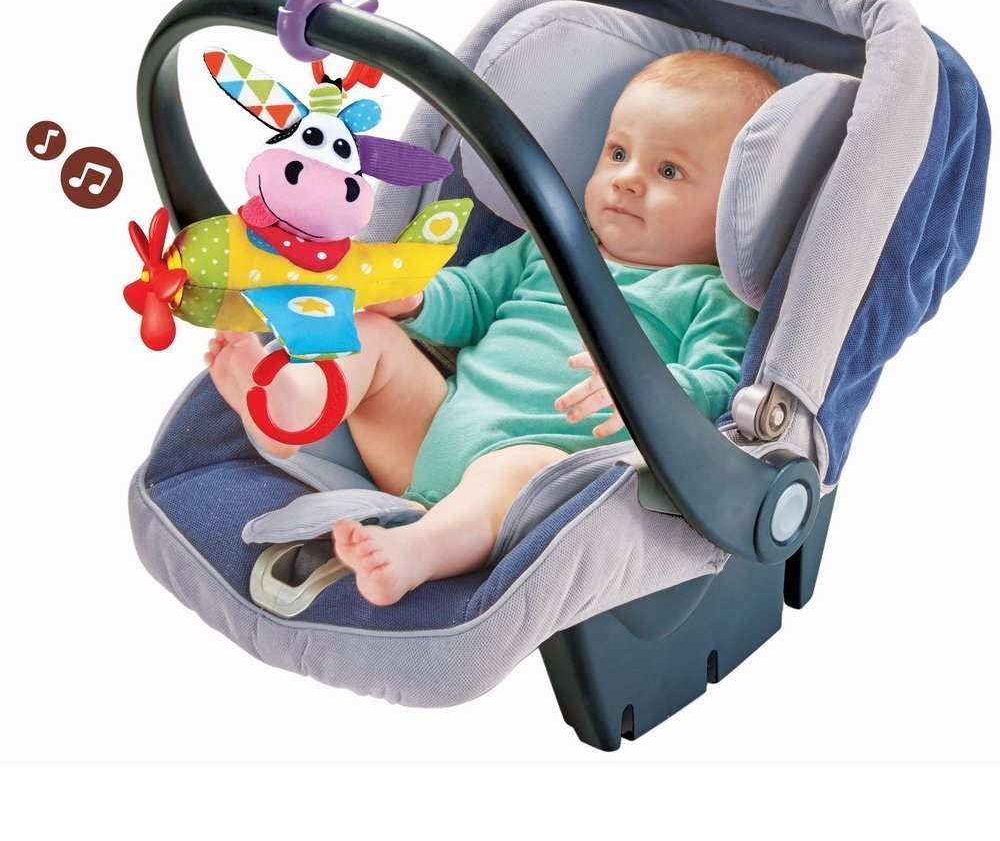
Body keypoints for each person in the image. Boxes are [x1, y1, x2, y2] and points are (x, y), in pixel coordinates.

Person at [205, 49, 778, 606]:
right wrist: (415, 300)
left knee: (514, 469)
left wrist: (645, 389)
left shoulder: (710, 294)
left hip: (538, 478)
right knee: (371, 333)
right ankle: (295, 406)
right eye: (619, 153)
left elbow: (717, 387)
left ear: (733, 211)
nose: (626, 180)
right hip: (431, 433)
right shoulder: (554, 246)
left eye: (669, 170)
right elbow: (472, 298)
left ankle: (416, 550)